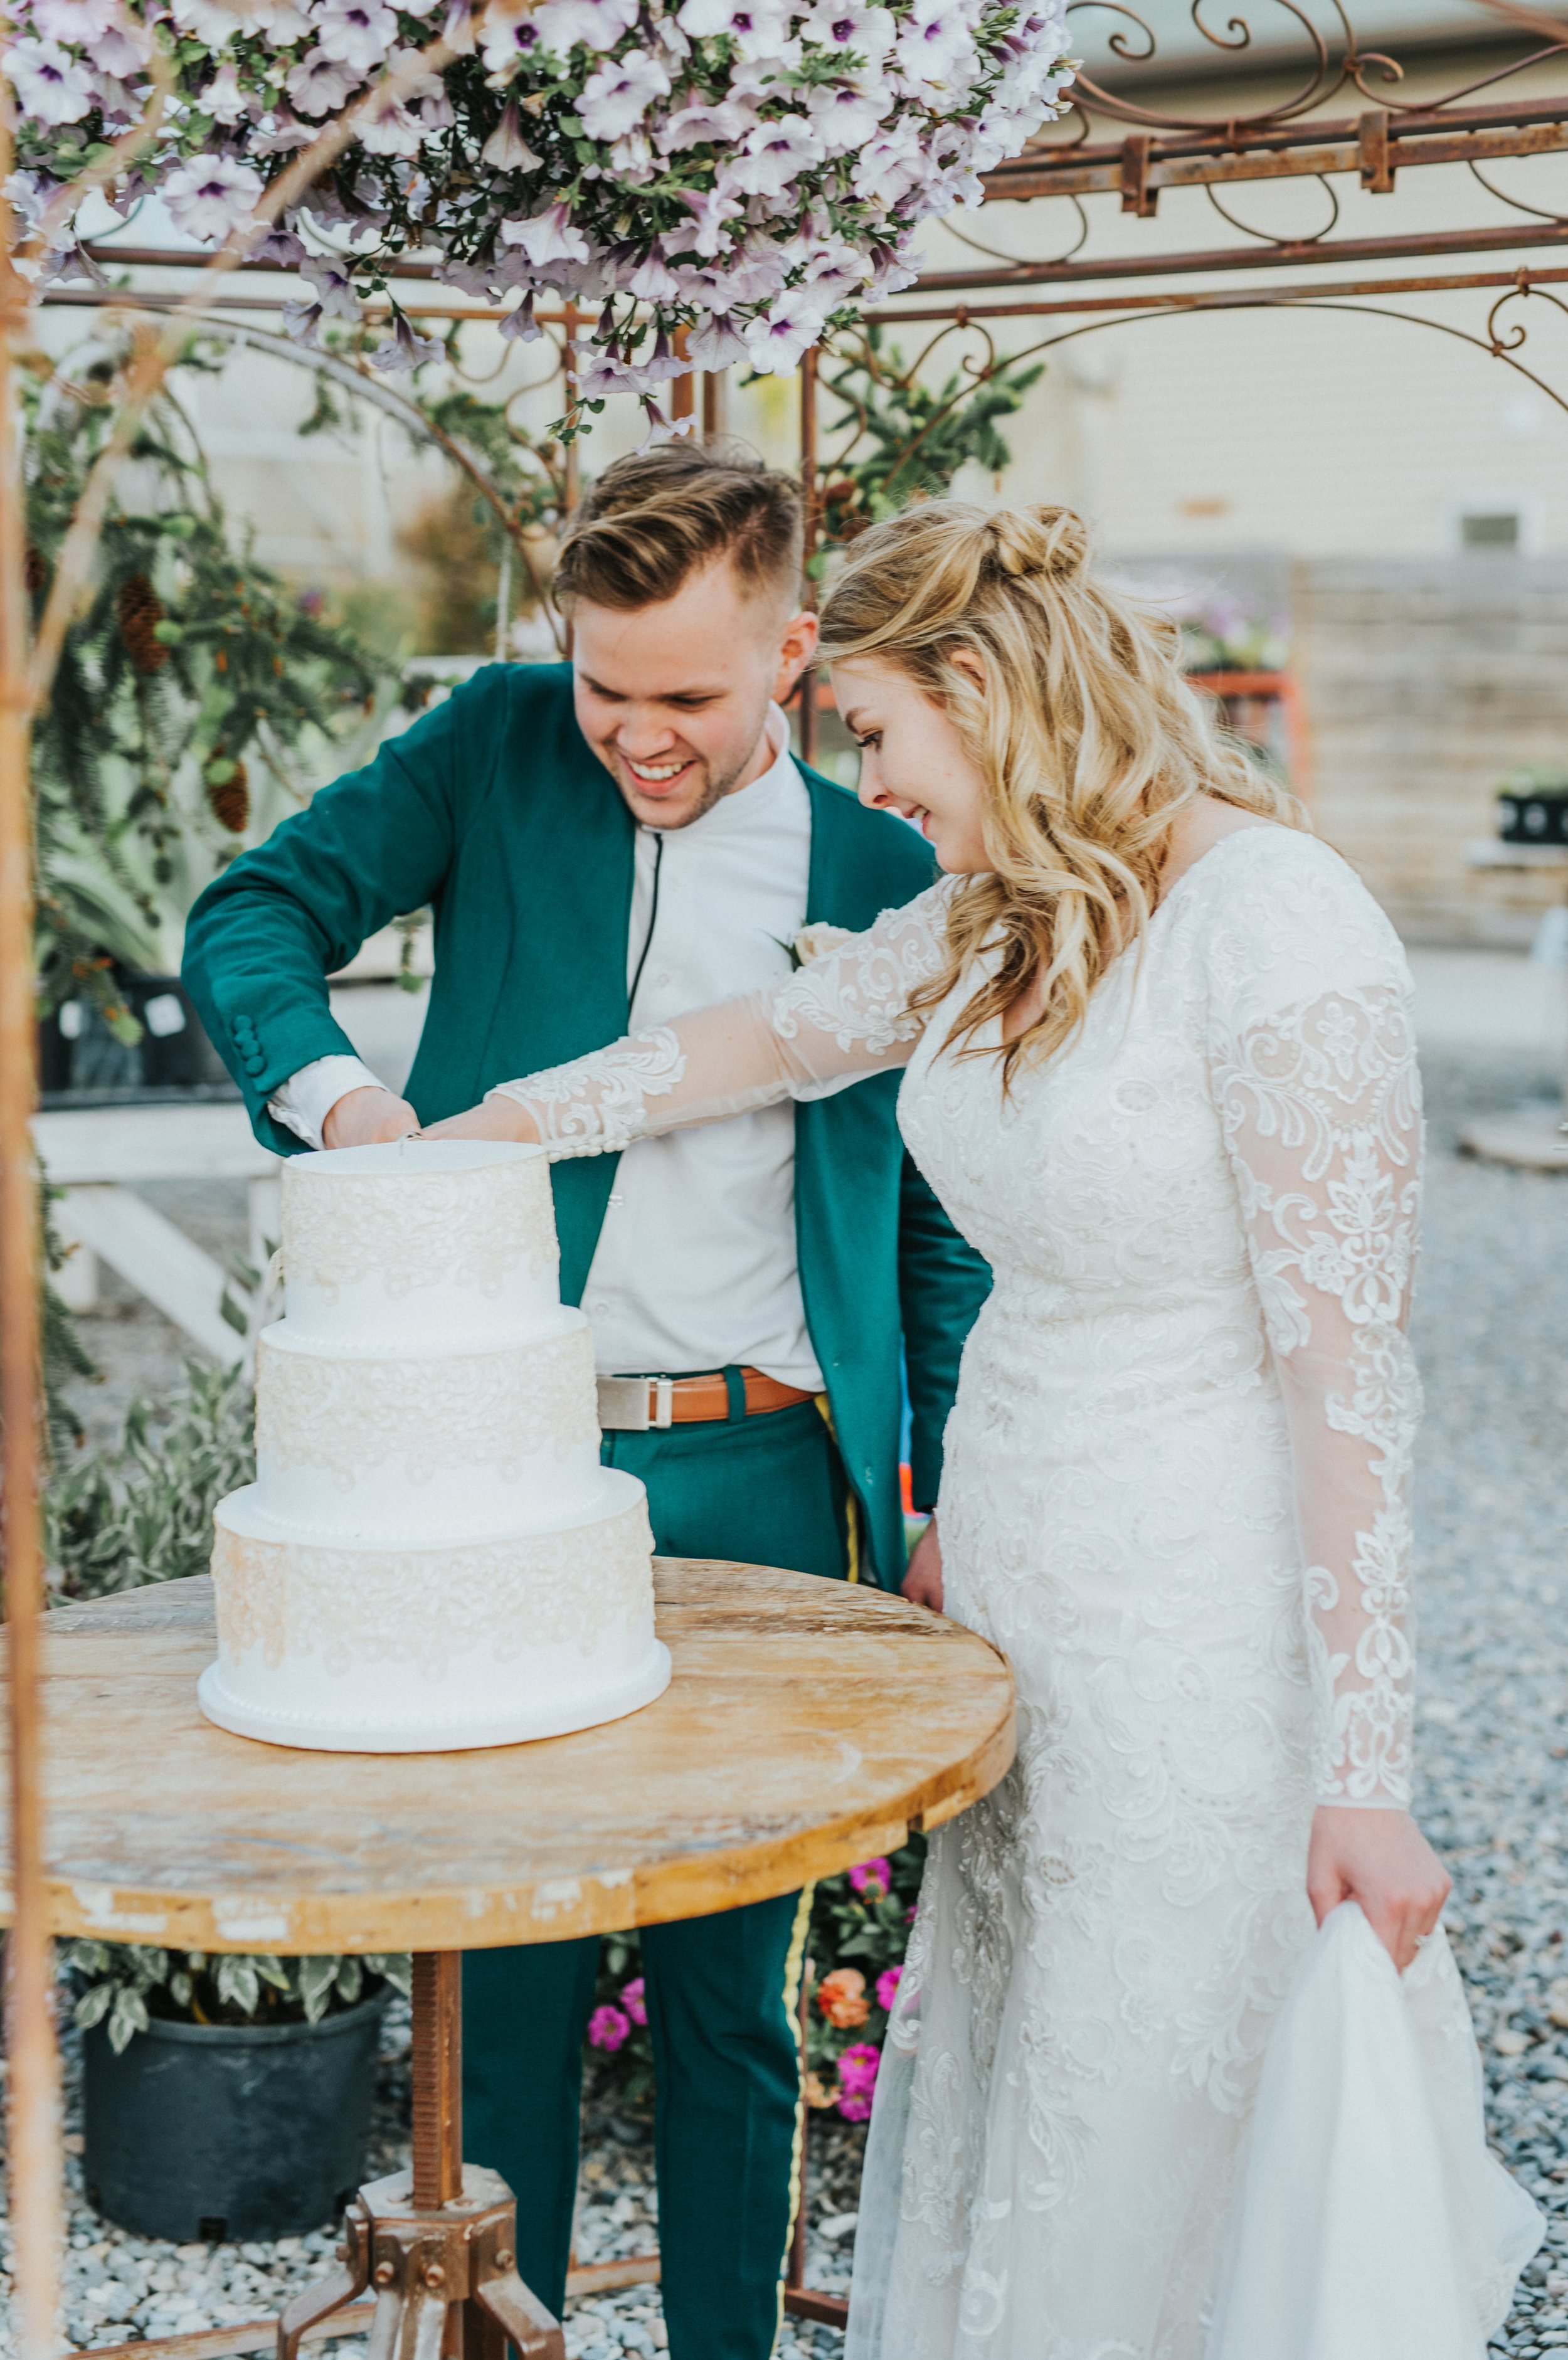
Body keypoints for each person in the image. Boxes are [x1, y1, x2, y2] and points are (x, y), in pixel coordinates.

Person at [419, 497, 1511, 2355]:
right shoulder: (1002, 909)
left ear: (984, 690)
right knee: (1027, 2060)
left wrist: (1366, 1770)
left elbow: (1347, 1377)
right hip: (1010, 1576)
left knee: (1155, 2072)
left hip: (1191, 1607)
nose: (868, 775)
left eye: (873, 728)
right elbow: (755, 1042)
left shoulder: (1276, 918)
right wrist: (493, 1130)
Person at [180, 444, 992, 2360]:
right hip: (492, 1459)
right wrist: (350, 1111)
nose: (629, 732)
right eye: (602, 683)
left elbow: (938, 1236)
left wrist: (938, 1484)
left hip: (775, 1467)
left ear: (794, 651)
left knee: (733, 1992)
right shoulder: (494, 742)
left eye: (686, 698)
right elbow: (251, 916)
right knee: (502, 1980)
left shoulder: (888, 859)